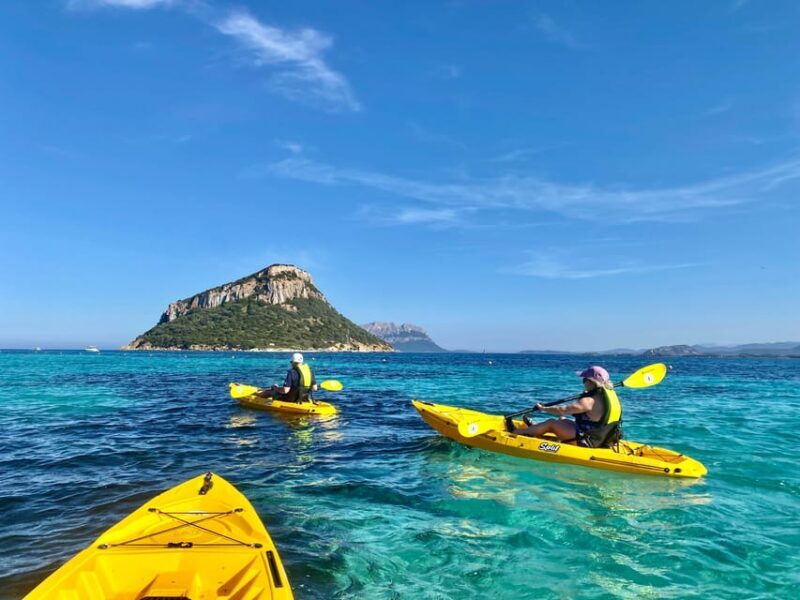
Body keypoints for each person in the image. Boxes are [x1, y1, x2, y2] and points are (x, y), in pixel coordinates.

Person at [506, 366, 623, 448]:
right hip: (600, 439)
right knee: (562, 420)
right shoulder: (607, 397)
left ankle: (516, 431)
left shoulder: (589, 401)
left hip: (585, 441)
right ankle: (535, 428)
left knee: (551, 422)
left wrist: (543, 409)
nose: (583, 383)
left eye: (584, 380)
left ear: (592, 382)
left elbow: (563, 410)